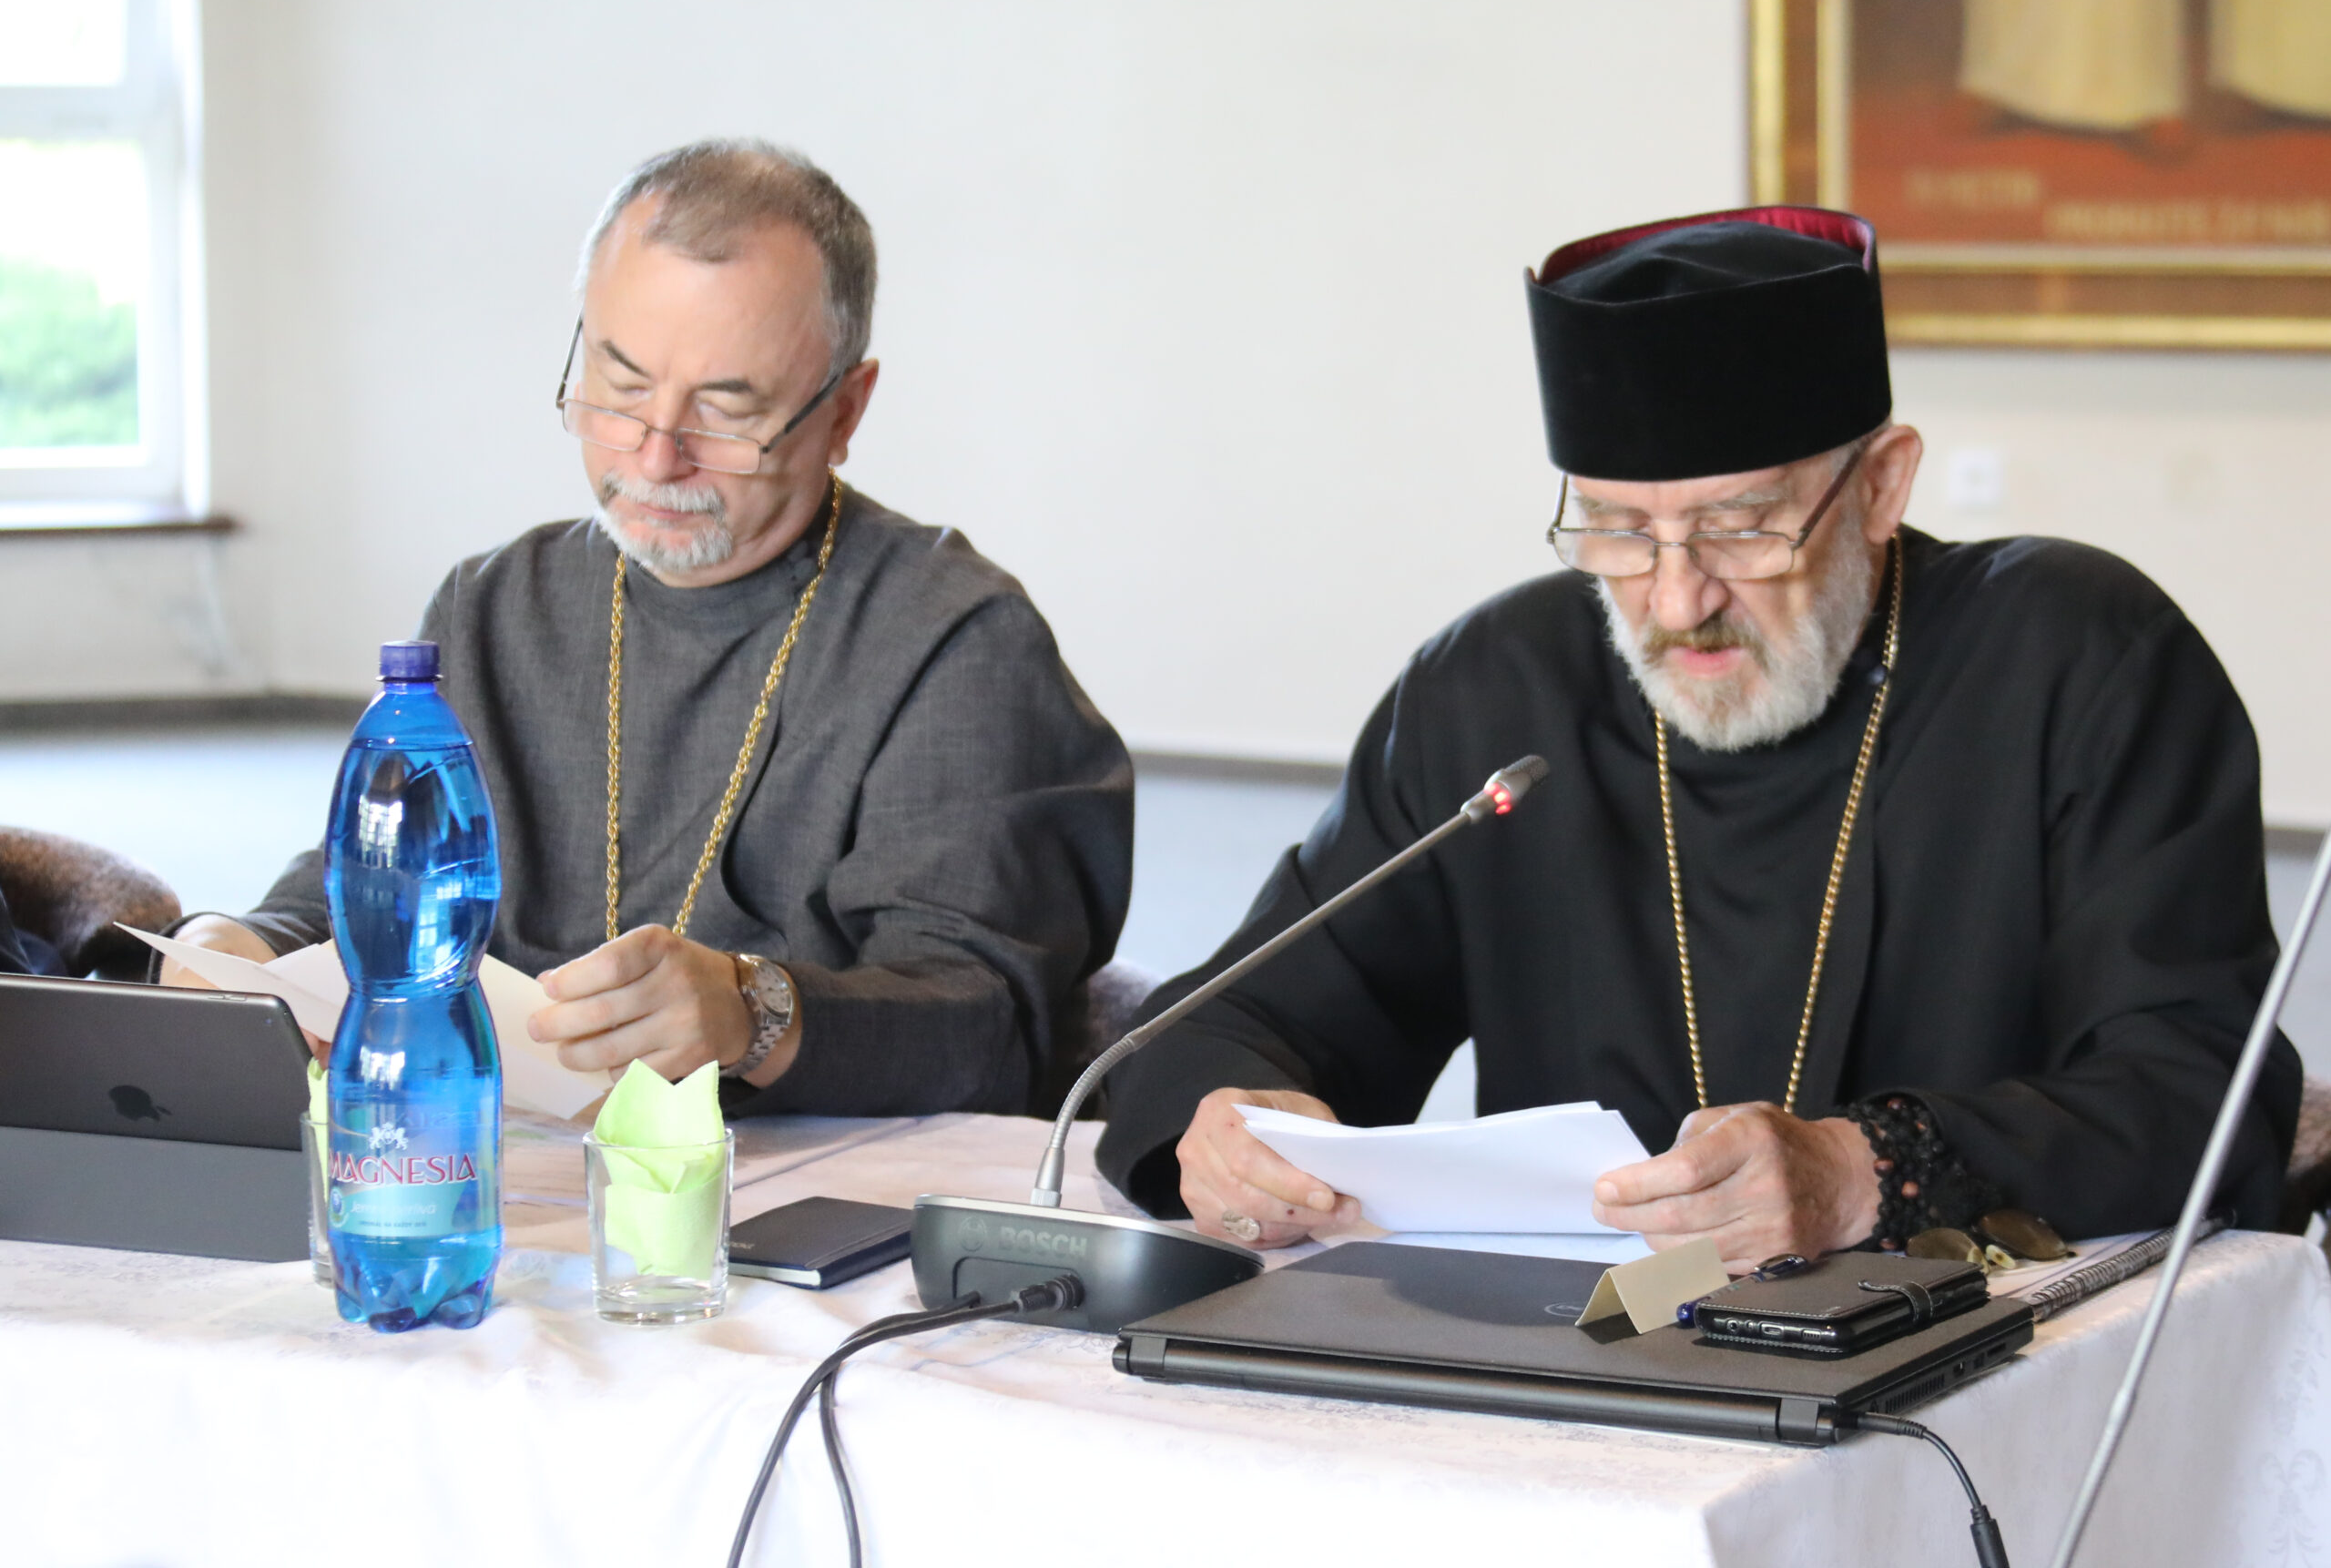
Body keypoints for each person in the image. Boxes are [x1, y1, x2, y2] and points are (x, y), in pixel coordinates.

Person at [1097, 206, 2299, 1269]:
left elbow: (2203, 1088)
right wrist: (1230, 1126)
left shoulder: (2076, 655)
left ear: (1880, 486)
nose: (1677, 602)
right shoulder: (1495, 687)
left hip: (1993, 1355)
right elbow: (1232, 1023)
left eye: (1741, 530)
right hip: (1580, 1363)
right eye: (1620, 532)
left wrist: (1861, 1172)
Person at [164, 139, 1134, 1118]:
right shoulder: (495, 607)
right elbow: (377, 883)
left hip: (796, 1179)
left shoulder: (956, 643)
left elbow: (990, 1031)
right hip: (506, 1161)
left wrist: (755, 1012)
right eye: (622, 388)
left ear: (844, 410)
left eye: (725, 409)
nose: (656, 457)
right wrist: (241, 945)